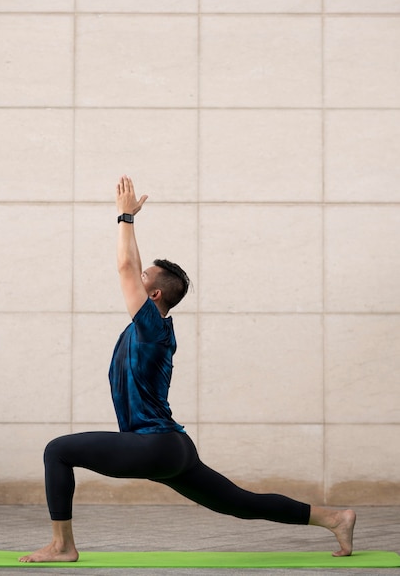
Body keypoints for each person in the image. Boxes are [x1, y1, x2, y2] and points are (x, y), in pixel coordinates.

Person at [19, 175, 356, 563]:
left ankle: (62, 546)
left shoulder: (151, 328)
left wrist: (125, 218)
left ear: (155, 295)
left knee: (57, 451)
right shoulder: (152, 327)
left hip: (155, 445)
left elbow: (126, 266)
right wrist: (132, 230)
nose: (138, 275)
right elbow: (137, 269)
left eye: (146, 278)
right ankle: (334, 518)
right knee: (239, 503)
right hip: (171, 447)